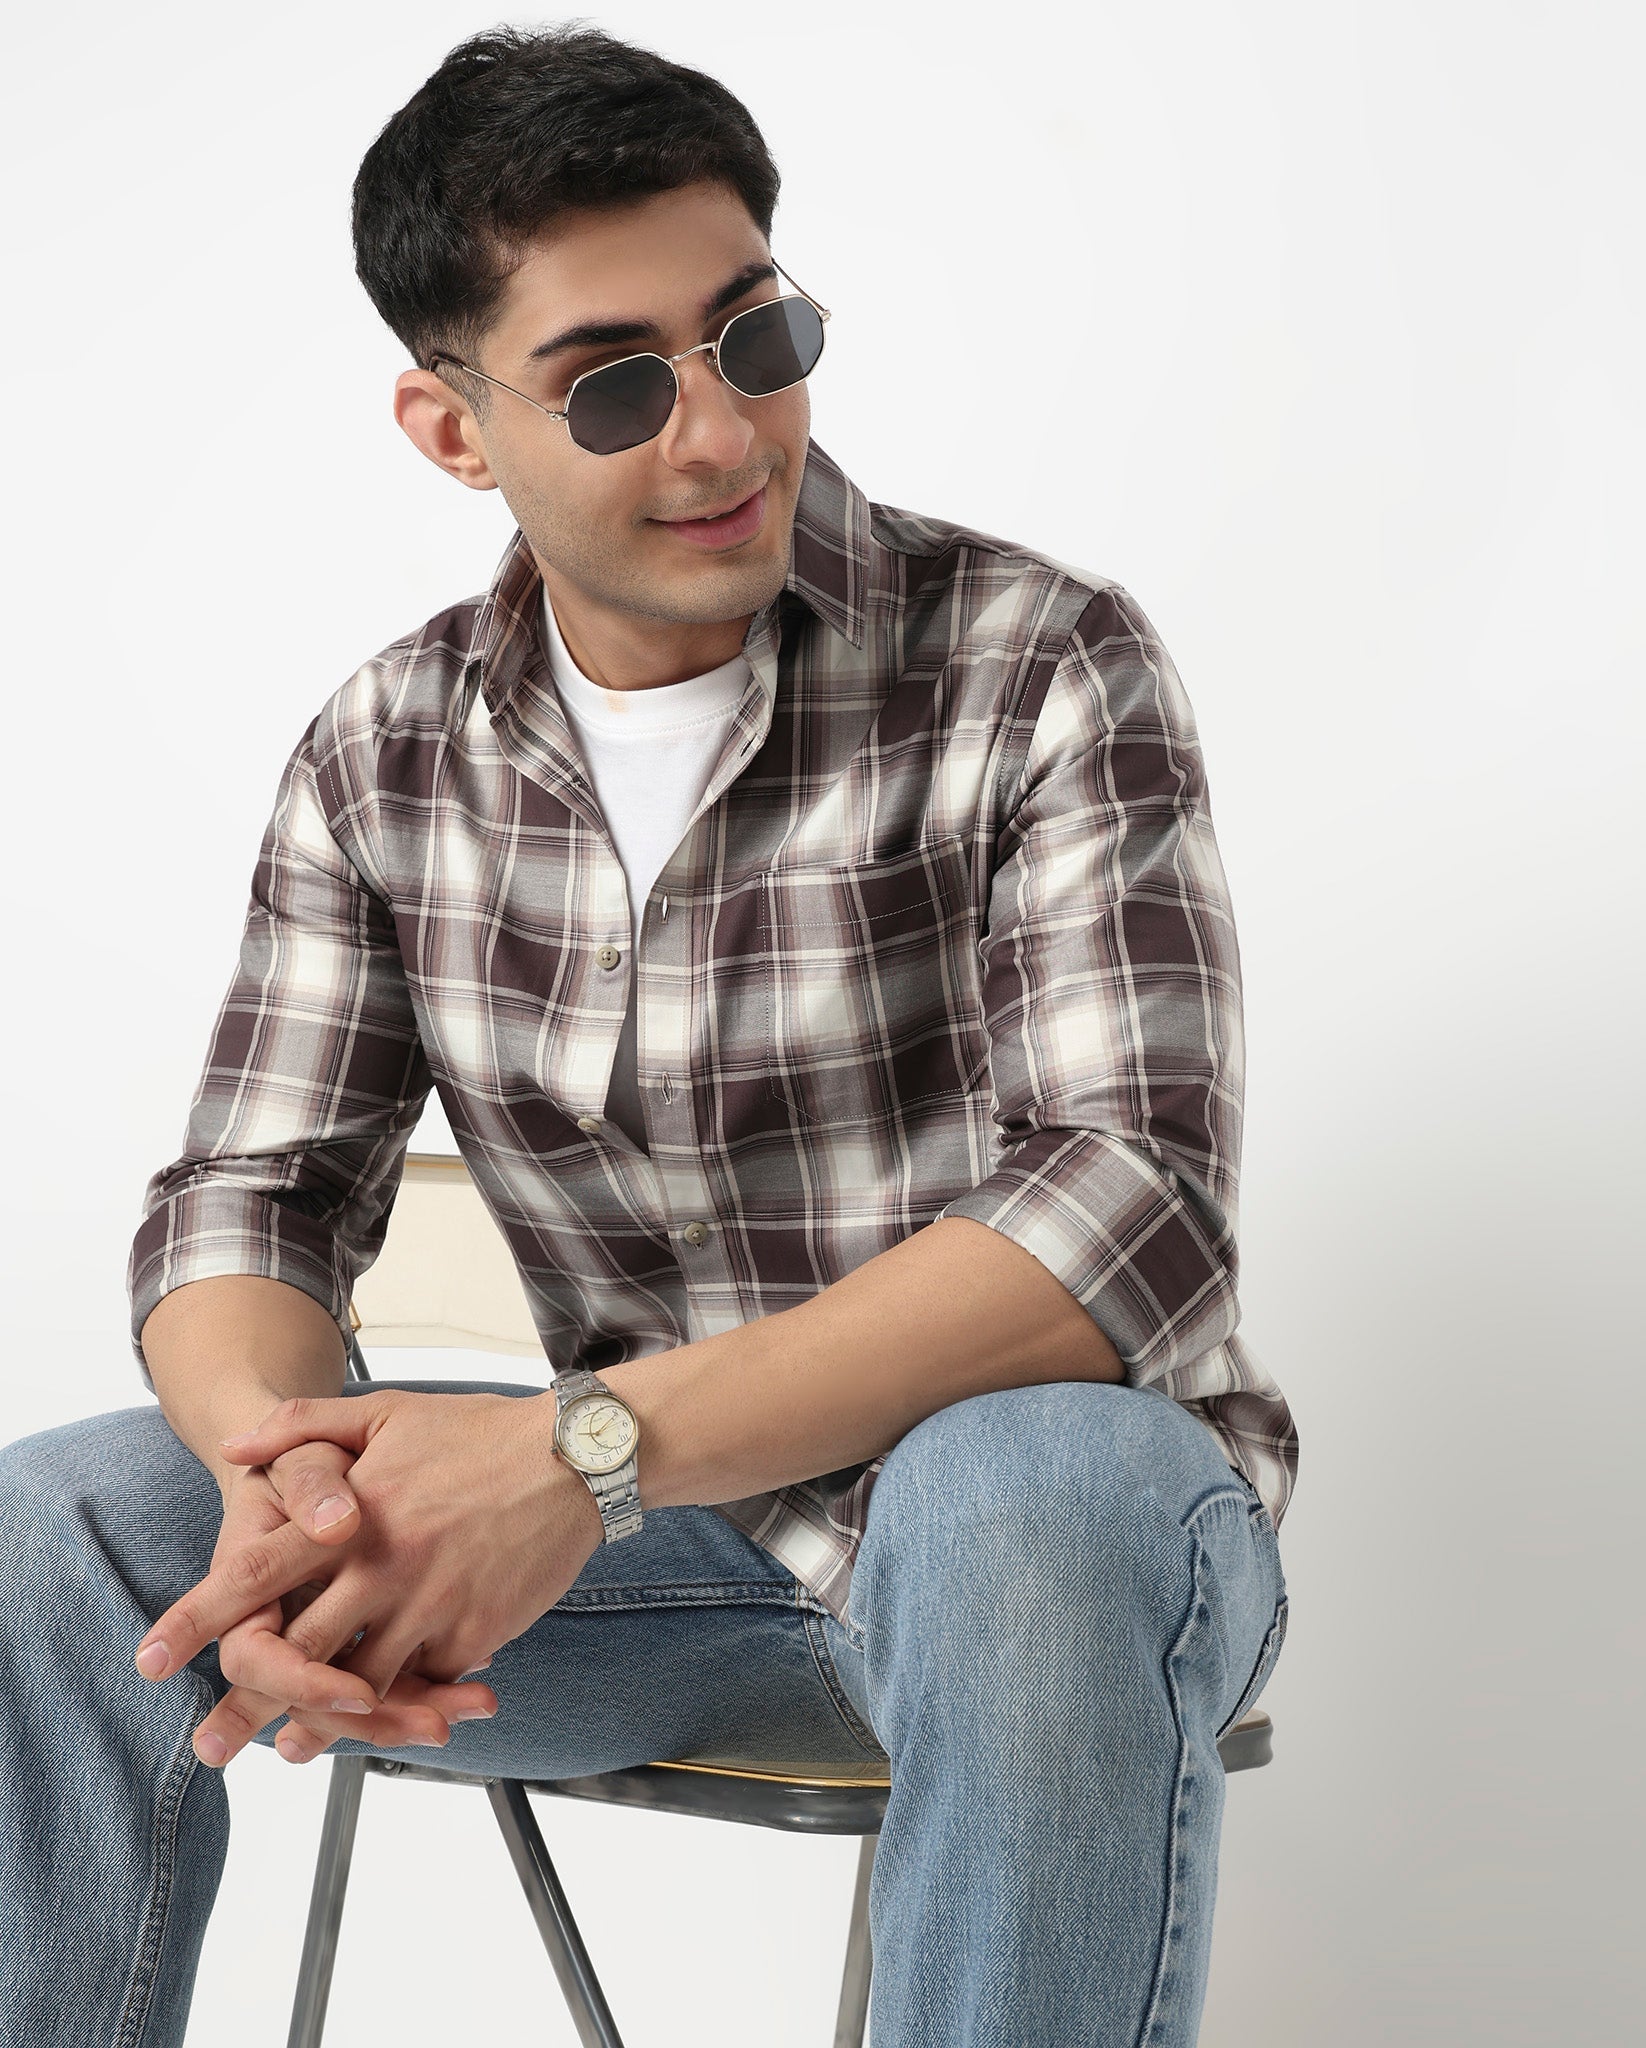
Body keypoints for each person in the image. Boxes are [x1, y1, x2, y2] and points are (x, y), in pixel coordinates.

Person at [0, 25, 1297, 2048]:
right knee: (61, 1535)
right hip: (654, 1571)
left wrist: (573, 1454)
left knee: (1029, 1488)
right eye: (614, 383)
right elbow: (254, 1193)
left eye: (753, 337)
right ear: (452, 428)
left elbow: (1128, 1212)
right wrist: (287, 1489)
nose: (718, 436)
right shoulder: (387, 750)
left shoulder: (1038, 658)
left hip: (1045, 1556)